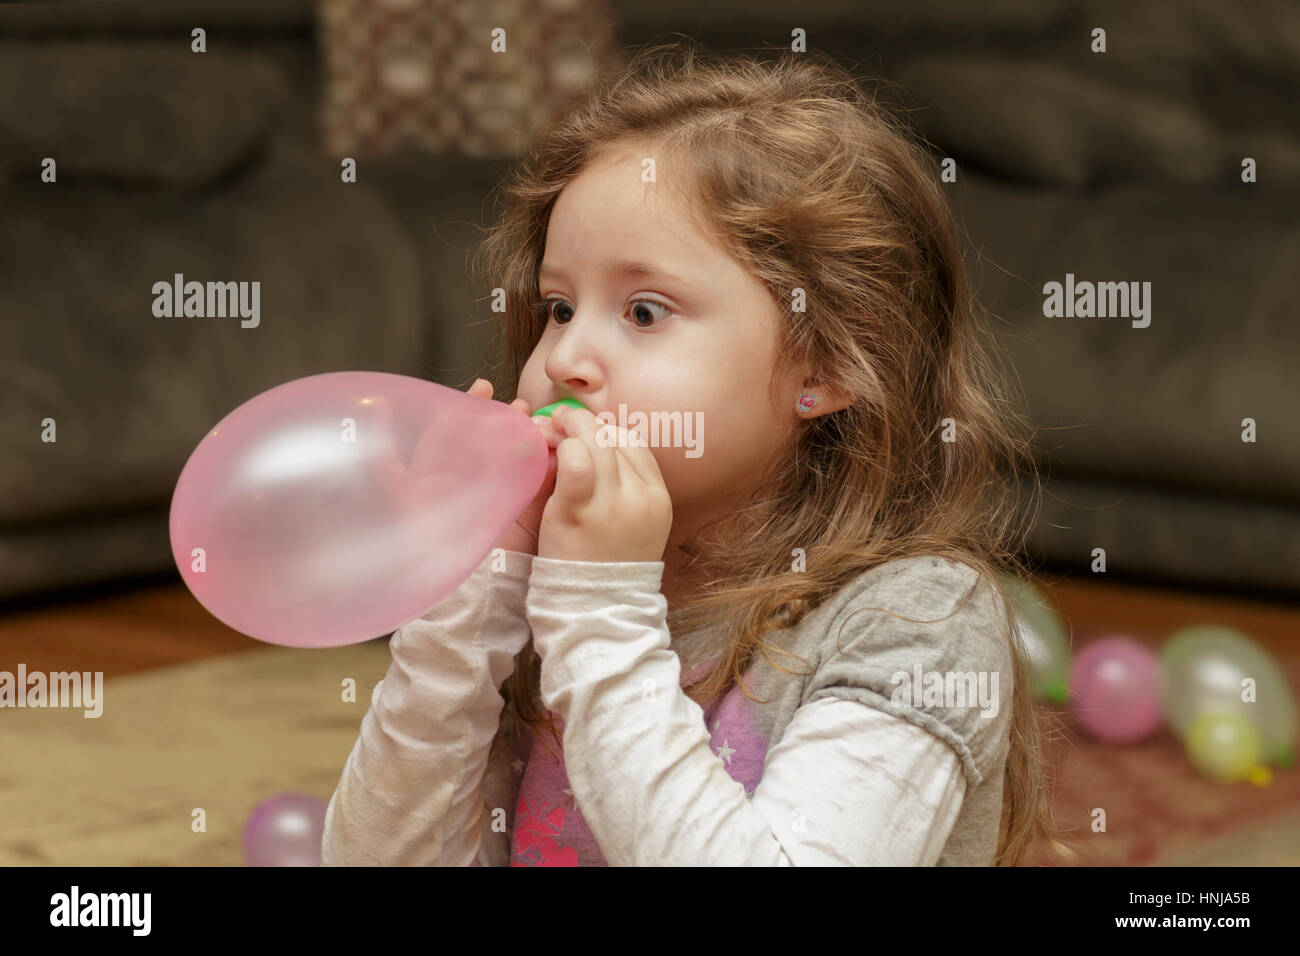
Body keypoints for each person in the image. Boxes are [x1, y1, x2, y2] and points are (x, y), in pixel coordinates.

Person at [322, 41, 1073, 866]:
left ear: (830, 362)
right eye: (560, 306)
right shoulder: (544, 587)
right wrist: (462, 606)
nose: (566, 357)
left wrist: (600, 612)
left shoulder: (917, 618)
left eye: (644, 312)